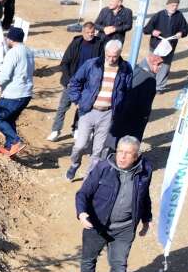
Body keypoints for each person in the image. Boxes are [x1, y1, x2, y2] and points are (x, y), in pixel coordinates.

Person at [74, 136, 154, 272]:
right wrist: (82, 213)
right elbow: (83, 193)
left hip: (124, 228)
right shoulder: (103, 168)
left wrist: (146, 219)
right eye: (120, 151)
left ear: (136, 156)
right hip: (97, 224)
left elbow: (144, 196)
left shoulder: (145, 170)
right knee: (89, 258)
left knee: (119, 265)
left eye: (128, 153)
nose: (122, 157)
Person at [65, 39, 131, 182]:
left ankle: (89, 177)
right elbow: (75, 82)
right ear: (105, 52)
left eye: (115, 56)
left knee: (98, 150)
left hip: (107, 113)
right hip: (88, 110)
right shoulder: (92, 64)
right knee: (80, 145)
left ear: (120, 54)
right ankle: (74, 164)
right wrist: (77, 100)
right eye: (109, 55)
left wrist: (119, 108)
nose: (111, 59)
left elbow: (127, 90)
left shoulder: (125, 68)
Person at [48, 22, 103, 142]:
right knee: (63, 107)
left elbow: (101, 64)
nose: (90, 35)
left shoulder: (99, 45)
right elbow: (65, 63)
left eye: (92, 33)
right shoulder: (75, 44)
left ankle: (76, 129)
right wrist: (68, 80)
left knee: (82, 108)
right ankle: (55, 130)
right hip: (72, 82)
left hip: (88, 84)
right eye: (88, 33)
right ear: (83, 32)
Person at [110, 43, 167, 144]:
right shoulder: (150, 79)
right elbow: (144, 105)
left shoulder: (135, 69)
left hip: (121, 116)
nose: (160, 67)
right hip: (133, 120)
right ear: (152, 63)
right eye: (158, 64)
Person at [0, 26, 34, 157]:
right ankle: (10, 148)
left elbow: (5, 76)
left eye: (7, 37)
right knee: (9, 119)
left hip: (14, 94)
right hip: (26, 94)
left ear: (11, 39)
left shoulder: (13, 53)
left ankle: (16, 141)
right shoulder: (29, 51)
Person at [143, 0, 188, 93]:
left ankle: (159, 87)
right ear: (167, 5)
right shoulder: (159, 15)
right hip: (156, 45)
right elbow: (146, 29)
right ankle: (147, 84)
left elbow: (185, 29)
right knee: (152, 64)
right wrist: (153, 31)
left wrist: (181, 33)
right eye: (173, 5)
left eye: (176, 6)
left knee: (165, 66)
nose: (174, 8)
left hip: (169, 47)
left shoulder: (179, 16)